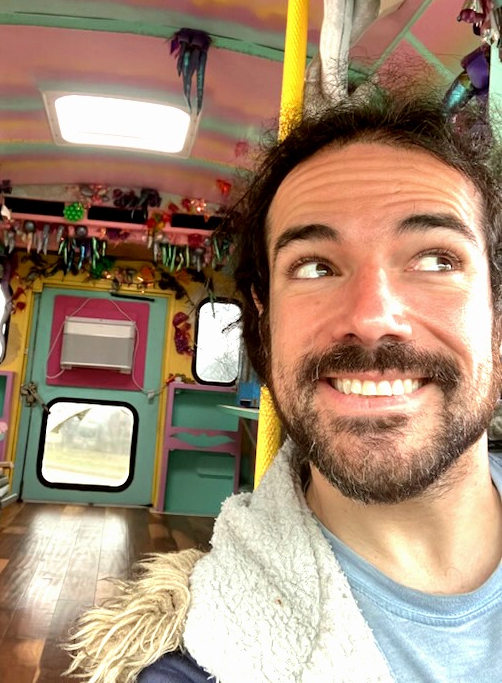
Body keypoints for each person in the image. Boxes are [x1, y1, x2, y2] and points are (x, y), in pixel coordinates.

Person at [66, 92, 502, 683]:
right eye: (315, 266)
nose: (373, 315)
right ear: (264, 323)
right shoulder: (191, 667)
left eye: (434, 259)